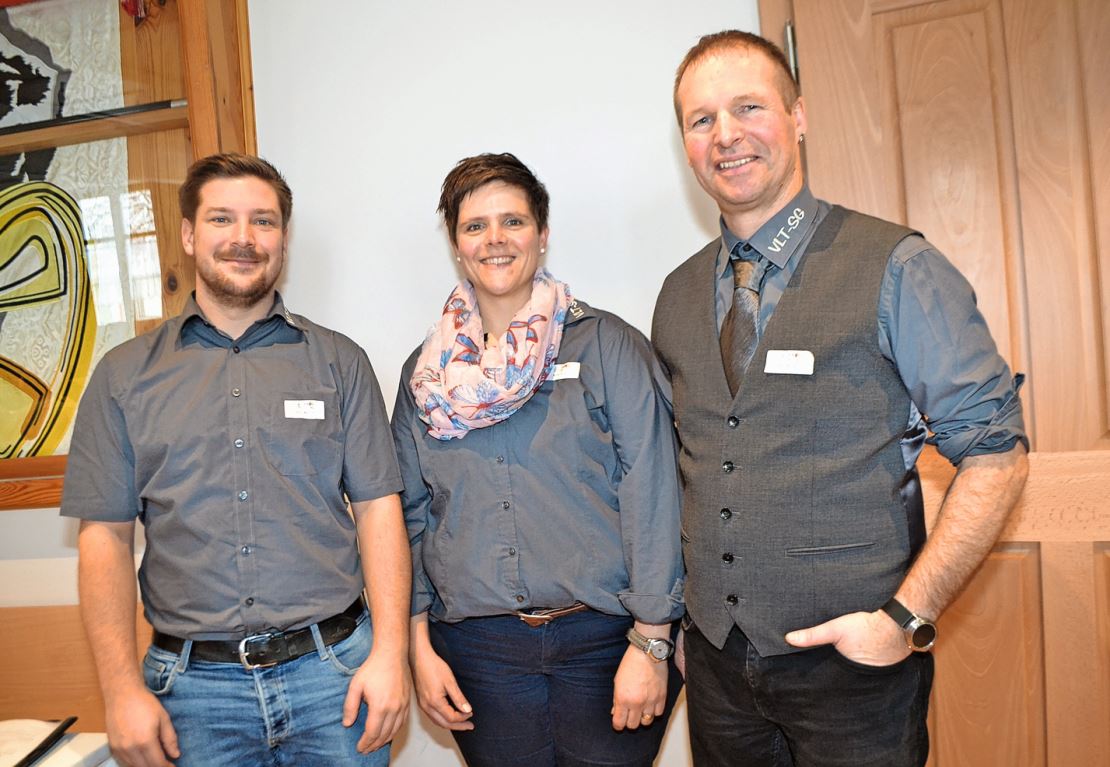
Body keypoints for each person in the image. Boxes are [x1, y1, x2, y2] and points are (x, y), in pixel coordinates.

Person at [652, 31, 1030, 766]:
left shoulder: (898, 267)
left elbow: (997, 456)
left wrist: (904, 619)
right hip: (720, 675)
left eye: (748, 107)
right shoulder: (675, 296)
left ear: (798, 116)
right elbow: (693, 470)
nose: (725, 135)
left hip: (855, 675)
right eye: (701, 120)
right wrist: (684, 630)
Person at [61, 153, 411, 767]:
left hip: (334, 680)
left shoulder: (339, 363)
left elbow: (381, 511)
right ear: (191, 235)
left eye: (264, 222)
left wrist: (389, 655)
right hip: (193, 696)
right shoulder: (122, 377)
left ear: (283, 239)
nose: (244, 239)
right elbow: (105, 541)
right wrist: (120, 693)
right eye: (223, 219)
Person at [391, 152, 684, 767]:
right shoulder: (425, 377)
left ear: (542, 235)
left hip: (607, 643)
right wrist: (417, 647)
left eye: (513, 222)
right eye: (475, 226)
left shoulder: (607, 347)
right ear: (456, 244)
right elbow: (409, 516)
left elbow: (654, 493)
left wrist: (653, 644)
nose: (495, 240)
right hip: (478, 654)